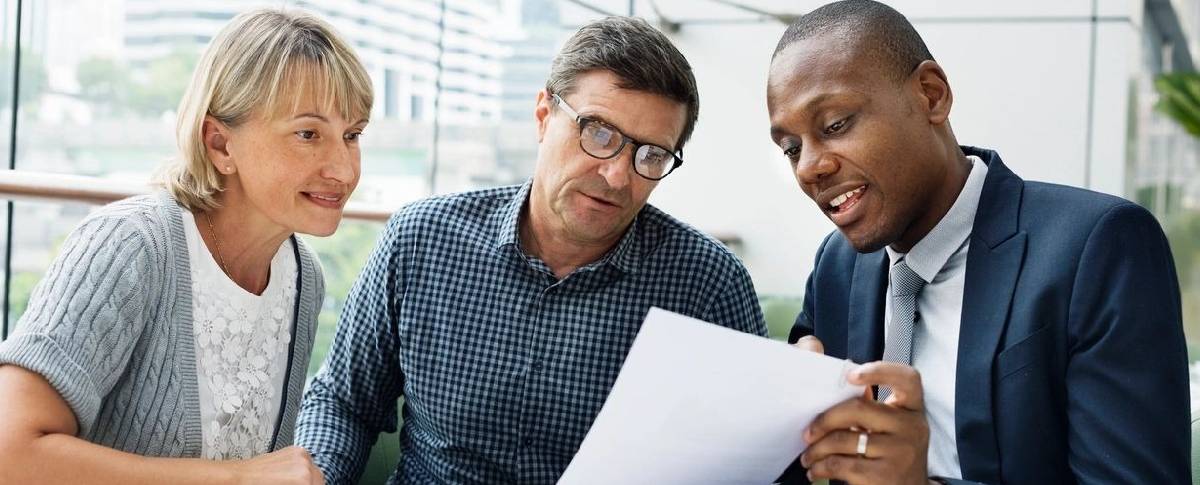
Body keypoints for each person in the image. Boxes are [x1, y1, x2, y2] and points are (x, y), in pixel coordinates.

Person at [296, 16, 767, 484]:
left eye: (650, 156)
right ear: (544, 116)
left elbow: (750, 460)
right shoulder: (421, 238)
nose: (618, 176)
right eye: (599, 133)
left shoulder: (709, 285)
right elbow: (343, 402)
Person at [765, 1, 1188, 484]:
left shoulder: (1098, 248)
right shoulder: (837, 266)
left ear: (931, 95)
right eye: (791, 148)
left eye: (836, 125)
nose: (809, 167)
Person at [0, 8, 371, 484]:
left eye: (352, 135)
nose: (342, 169)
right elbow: (11, 452)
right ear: (220, 144)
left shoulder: (303, 275)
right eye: (307, 134)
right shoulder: (131, 247)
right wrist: (236, 479)